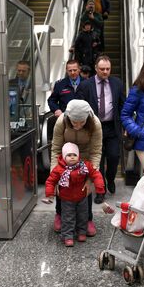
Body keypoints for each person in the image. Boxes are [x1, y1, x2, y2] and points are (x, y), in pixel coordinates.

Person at [76, 55, 125, 202]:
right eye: (102, 69)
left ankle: (110, 179)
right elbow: (79, 106)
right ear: (96, 69)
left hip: (112, 127)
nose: (105, 72)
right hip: (94, 128)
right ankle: (100, 190)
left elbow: (123, 106)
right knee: (97, 160)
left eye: (108, 69)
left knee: (114, 156)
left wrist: (125, 125)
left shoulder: (117, 83)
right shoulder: (86, 85)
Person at [51, 99, 102, 237]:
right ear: (69, 117)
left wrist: (91, 177)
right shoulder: (61, 121)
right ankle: (60, 214)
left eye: (82, 122)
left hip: (85, 158)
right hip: (65, 157)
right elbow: (56, 148)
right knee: (62, 186)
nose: (78, 125)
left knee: (85, 189)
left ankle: (87, 219)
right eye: (74, 122)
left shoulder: (95, 123)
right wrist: (54, 174)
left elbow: (96, 151)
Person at [45, 142, 105, 247]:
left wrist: (99, 188)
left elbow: (96, 174)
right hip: (66, 199)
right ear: (64, 157)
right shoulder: (59, 169)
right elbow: (50, 181)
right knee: (68, 217)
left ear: (78, 156)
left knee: (83, 215)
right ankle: (68, 236)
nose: (72, 157)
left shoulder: (84, 166)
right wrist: (49, 193)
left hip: (82, 197)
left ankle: (81, 233)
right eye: (69, 155)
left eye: (74, 155)